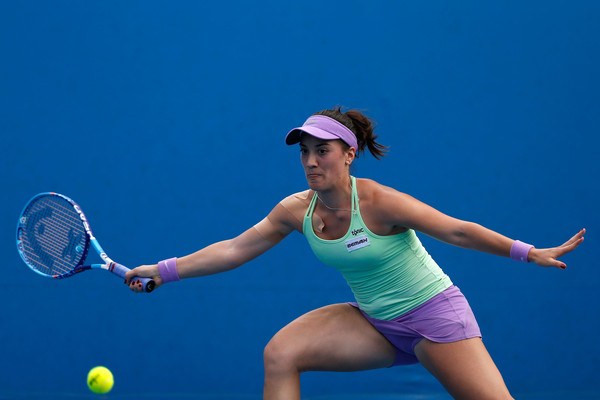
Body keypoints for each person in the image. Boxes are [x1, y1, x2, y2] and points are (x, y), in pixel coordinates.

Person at [126, 107, 585, 400]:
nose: (310, 161)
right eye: (304, 152)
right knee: (281, 353)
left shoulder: (380, 203)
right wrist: (165, 271)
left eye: (321, 151)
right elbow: (234, 249)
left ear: (349, 154)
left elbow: (457, 231)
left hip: (434, 318)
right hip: (374, 322)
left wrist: (528, 252)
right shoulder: (294, 209)